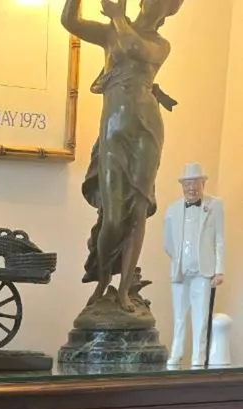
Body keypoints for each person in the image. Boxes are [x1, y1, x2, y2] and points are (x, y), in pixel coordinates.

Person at [61, 0, 183, 313]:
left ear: (169, 12)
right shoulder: (108, 33)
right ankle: (103, 281)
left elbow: (134, 47)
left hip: (146, 131)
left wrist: (117, 16)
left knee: (137, 212)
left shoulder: (159, 44)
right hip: (113, 130)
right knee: (113, 218)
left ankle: (125, 288)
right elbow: (69, 22)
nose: (159, 4)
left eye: (168, 3)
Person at [163, 163, 225, 367]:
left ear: (203, 183)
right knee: (179, 315)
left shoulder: (214, 206)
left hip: (203, 271)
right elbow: (168, 243)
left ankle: (198, 357)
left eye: (196, 183)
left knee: (200, 316)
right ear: (182, 185)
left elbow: (219, 239)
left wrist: (219, 270)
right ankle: (176, 352)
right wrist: (180, 259)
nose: (192, 188)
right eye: (188, 183)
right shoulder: (172, 209)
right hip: (181, 271)